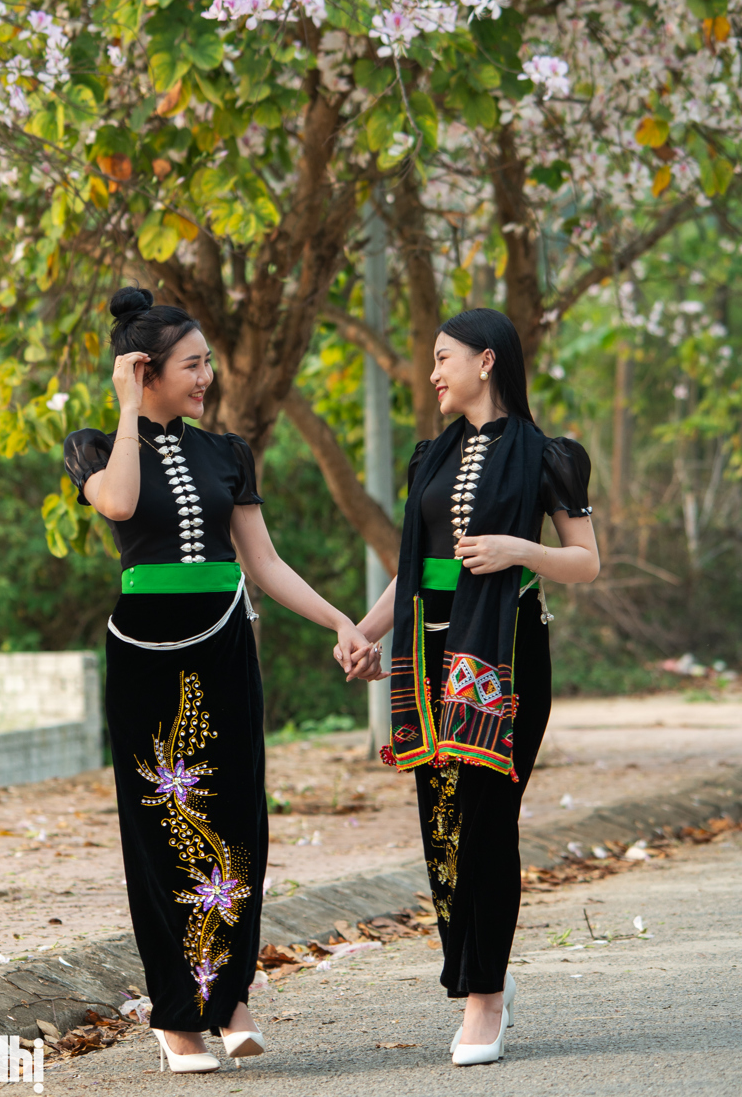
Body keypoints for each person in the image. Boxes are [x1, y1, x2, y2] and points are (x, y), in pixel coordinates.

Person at [64, 286, 372, 1074]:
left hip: (224, 645)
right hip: (145, 656)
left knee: (236, 820)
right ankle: (177, 1020)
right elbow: (122, 503)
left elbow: (263, 565)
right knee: (161, 832)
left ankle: (230, 998)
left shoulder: (228, 452)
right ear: (146, 371)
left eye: (206, 364)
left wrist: (341, 621)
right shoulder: (96, 446)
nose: (205, 378)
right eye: (192, 365)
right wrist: (128, 408)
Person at [339, 308, 599, 1067]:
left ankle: (486, 995)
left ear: (487, 361)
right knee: (443, 825)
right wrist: (366, 631)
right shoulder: (431, 457)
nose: (432, 373)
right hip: (429, 655)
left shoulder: (549, 456)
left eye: (443, 358)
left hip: (507, 659)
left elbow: (585, 561)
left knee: (486, 820)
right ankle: (473, 975)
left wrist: (522, 549)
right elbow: (415, 571)